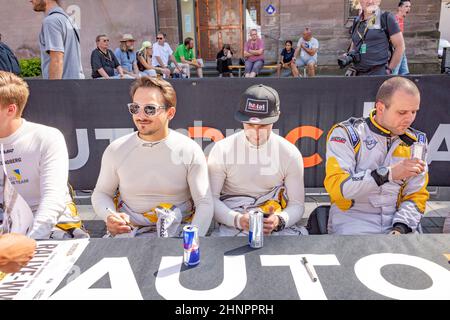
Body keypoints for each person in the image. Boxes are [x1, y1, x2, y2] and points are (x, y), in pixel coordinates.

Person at [91, 77, 214, 238]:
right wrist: (110, 216)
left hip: (178, 231)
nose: (140, 115)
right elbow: (101, 193)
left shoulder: (189, 150)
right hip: (128, 231)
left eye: (150, 109)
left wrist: (191, 240)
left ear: (170, 113)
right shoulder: (116, 149)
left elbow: (204, 203)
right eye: (135, 108)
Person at [324, 77, 429, 235]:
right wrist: (389, 174)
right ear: (380, 108)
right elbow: (338, 188)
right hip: (353, 221)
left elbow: (416, 194)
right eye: (402, 112)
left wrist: (401, 227)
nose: (409, 119)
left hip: (399, 223)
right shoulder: (346, 133)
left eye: (414, 112)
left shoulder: (418, 142)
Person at [208, 84, 306, 237]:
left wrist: (279, 220)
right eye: (250, 124)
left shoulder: (289, 153)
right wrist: (238, 220)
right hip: (232, 225)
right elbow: (210, 200)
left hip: (276, 226)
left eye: (263, 125)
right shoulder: (222, 150)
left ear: (277, 116)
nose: (256, 131)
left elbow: (297, 204)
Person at [0, 71, 87, 239]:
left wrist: (27, 241)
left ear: (10, 110)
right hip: (7, 227)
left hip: (52, 225)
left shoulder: (47, 137)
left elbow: (52, 199)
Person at [344, 0, 404, 76]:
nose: (370, 1)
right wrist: (348, 55)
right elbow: (354, 43)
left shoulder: (386, 17)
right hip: (357, 74)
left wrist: (389, 69)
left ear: (379, 1)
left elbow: (400, 46)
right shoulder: (357, 21)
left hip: (378, 74)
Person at [31, 0, 84, 79]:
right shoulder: (68, 20)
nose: (30, 0)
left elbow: (57, 60)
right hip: (76, 84)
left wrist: (54, 89)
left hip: (63, 87)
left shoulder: (51, 21)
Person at [392, 0, 411, 75]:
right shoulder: (394, 20)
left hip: (402, 50)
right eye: (406, 6)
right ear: (399, 8)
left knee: (405, 73)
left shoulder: (401, 19)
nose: (409, 8)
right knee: (394, 73)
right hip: (396, 50)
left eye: (409, 7)